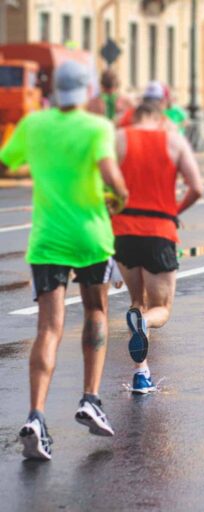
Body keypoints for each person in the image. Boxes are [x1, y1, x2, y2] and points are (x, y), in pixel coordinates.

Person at [0, 61, 129, 460]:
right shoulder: (97, 128)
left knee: (49, 329)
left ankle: (36, 415)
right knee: (95, 312)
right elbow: (113, 177)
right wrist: (118, 197)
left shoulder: (34, 124)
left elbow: (6, 162)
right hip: (90, 238)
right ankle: (90, 398)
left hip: (48, 240)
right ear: (86, 89)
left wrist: (37, 167)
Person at [111, 100, 203, 394]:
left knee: (136, 300)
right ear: (159, 117)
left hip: (123, 230)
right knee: (160, 308)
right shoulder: (173, 141)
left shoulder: (118, 139)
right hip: (159, 230)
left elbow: (101, 183)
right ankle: (144, 323)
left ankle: (142, 374)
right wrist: (173, 210)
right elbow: (197, 187)